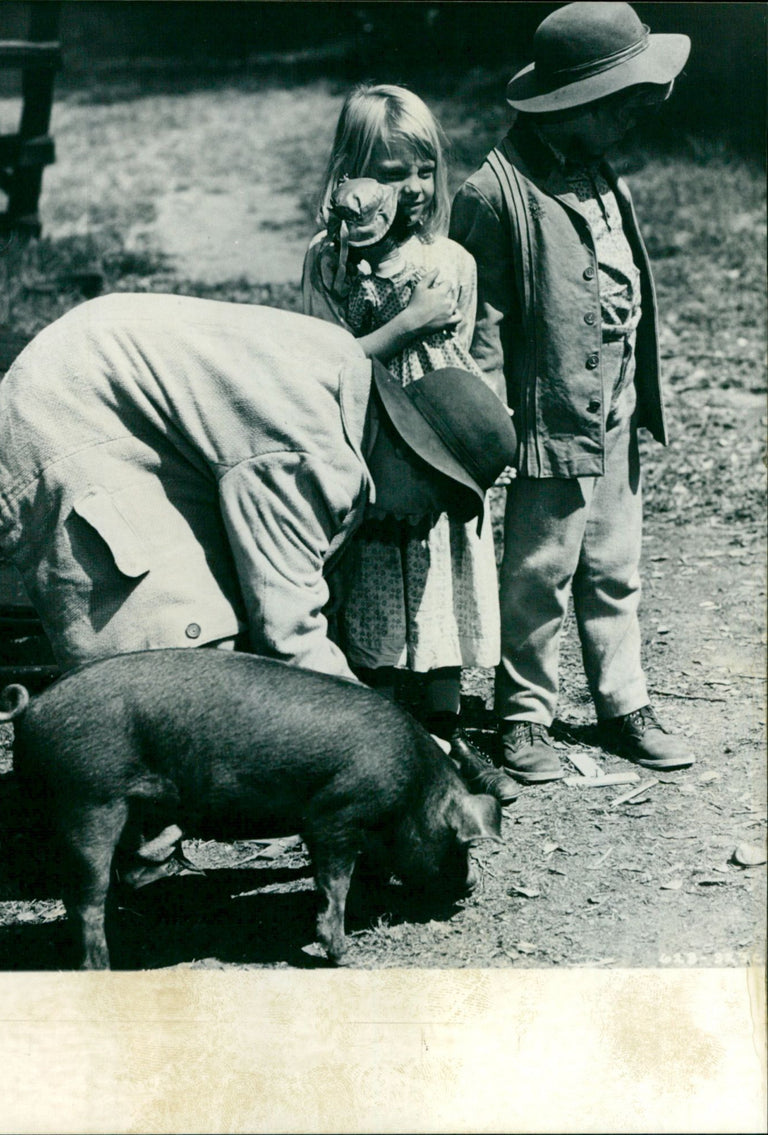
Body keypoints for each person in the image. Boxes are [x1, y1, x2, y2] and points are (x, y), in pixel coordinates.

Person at [0, 292, 515, 700]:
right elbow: (290, 632)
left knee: (222, 629)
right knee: (176, 662)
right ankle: (141, 848)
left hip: (114, 396)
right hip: (67, 412)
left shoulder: (347, 379)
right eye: (434, 502)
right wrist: (394, 739)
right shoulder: (311, 456)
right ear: (410, 453)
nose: (421, 522)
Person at [449, 1, 696, 783]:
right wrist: (486, 432)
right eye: (622, 104)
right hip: (546, 409)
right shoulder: (495, 195)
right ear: (576, 105)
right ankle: (524, 715)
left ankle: (624, 702)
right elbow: (478, 328)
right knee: (540, 569)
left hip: (616, 392)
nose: (636, 117)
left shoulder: (595, 163)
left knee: (616, 557)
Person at [302, 84, 518, 804]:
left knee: (441, 582)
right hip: (372, 445)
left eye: (424, 168)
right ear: (348, 178)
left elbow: (467, 359)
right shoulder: (328, 263)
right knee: (376, 586)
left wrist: (487, 432)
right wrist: (407, 320)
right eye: (392, 173)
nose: (415, 188)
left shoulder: (451, 259)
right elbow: (326, 362)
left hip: (440, 447)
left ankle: (448, 734)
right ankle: (387, 735)